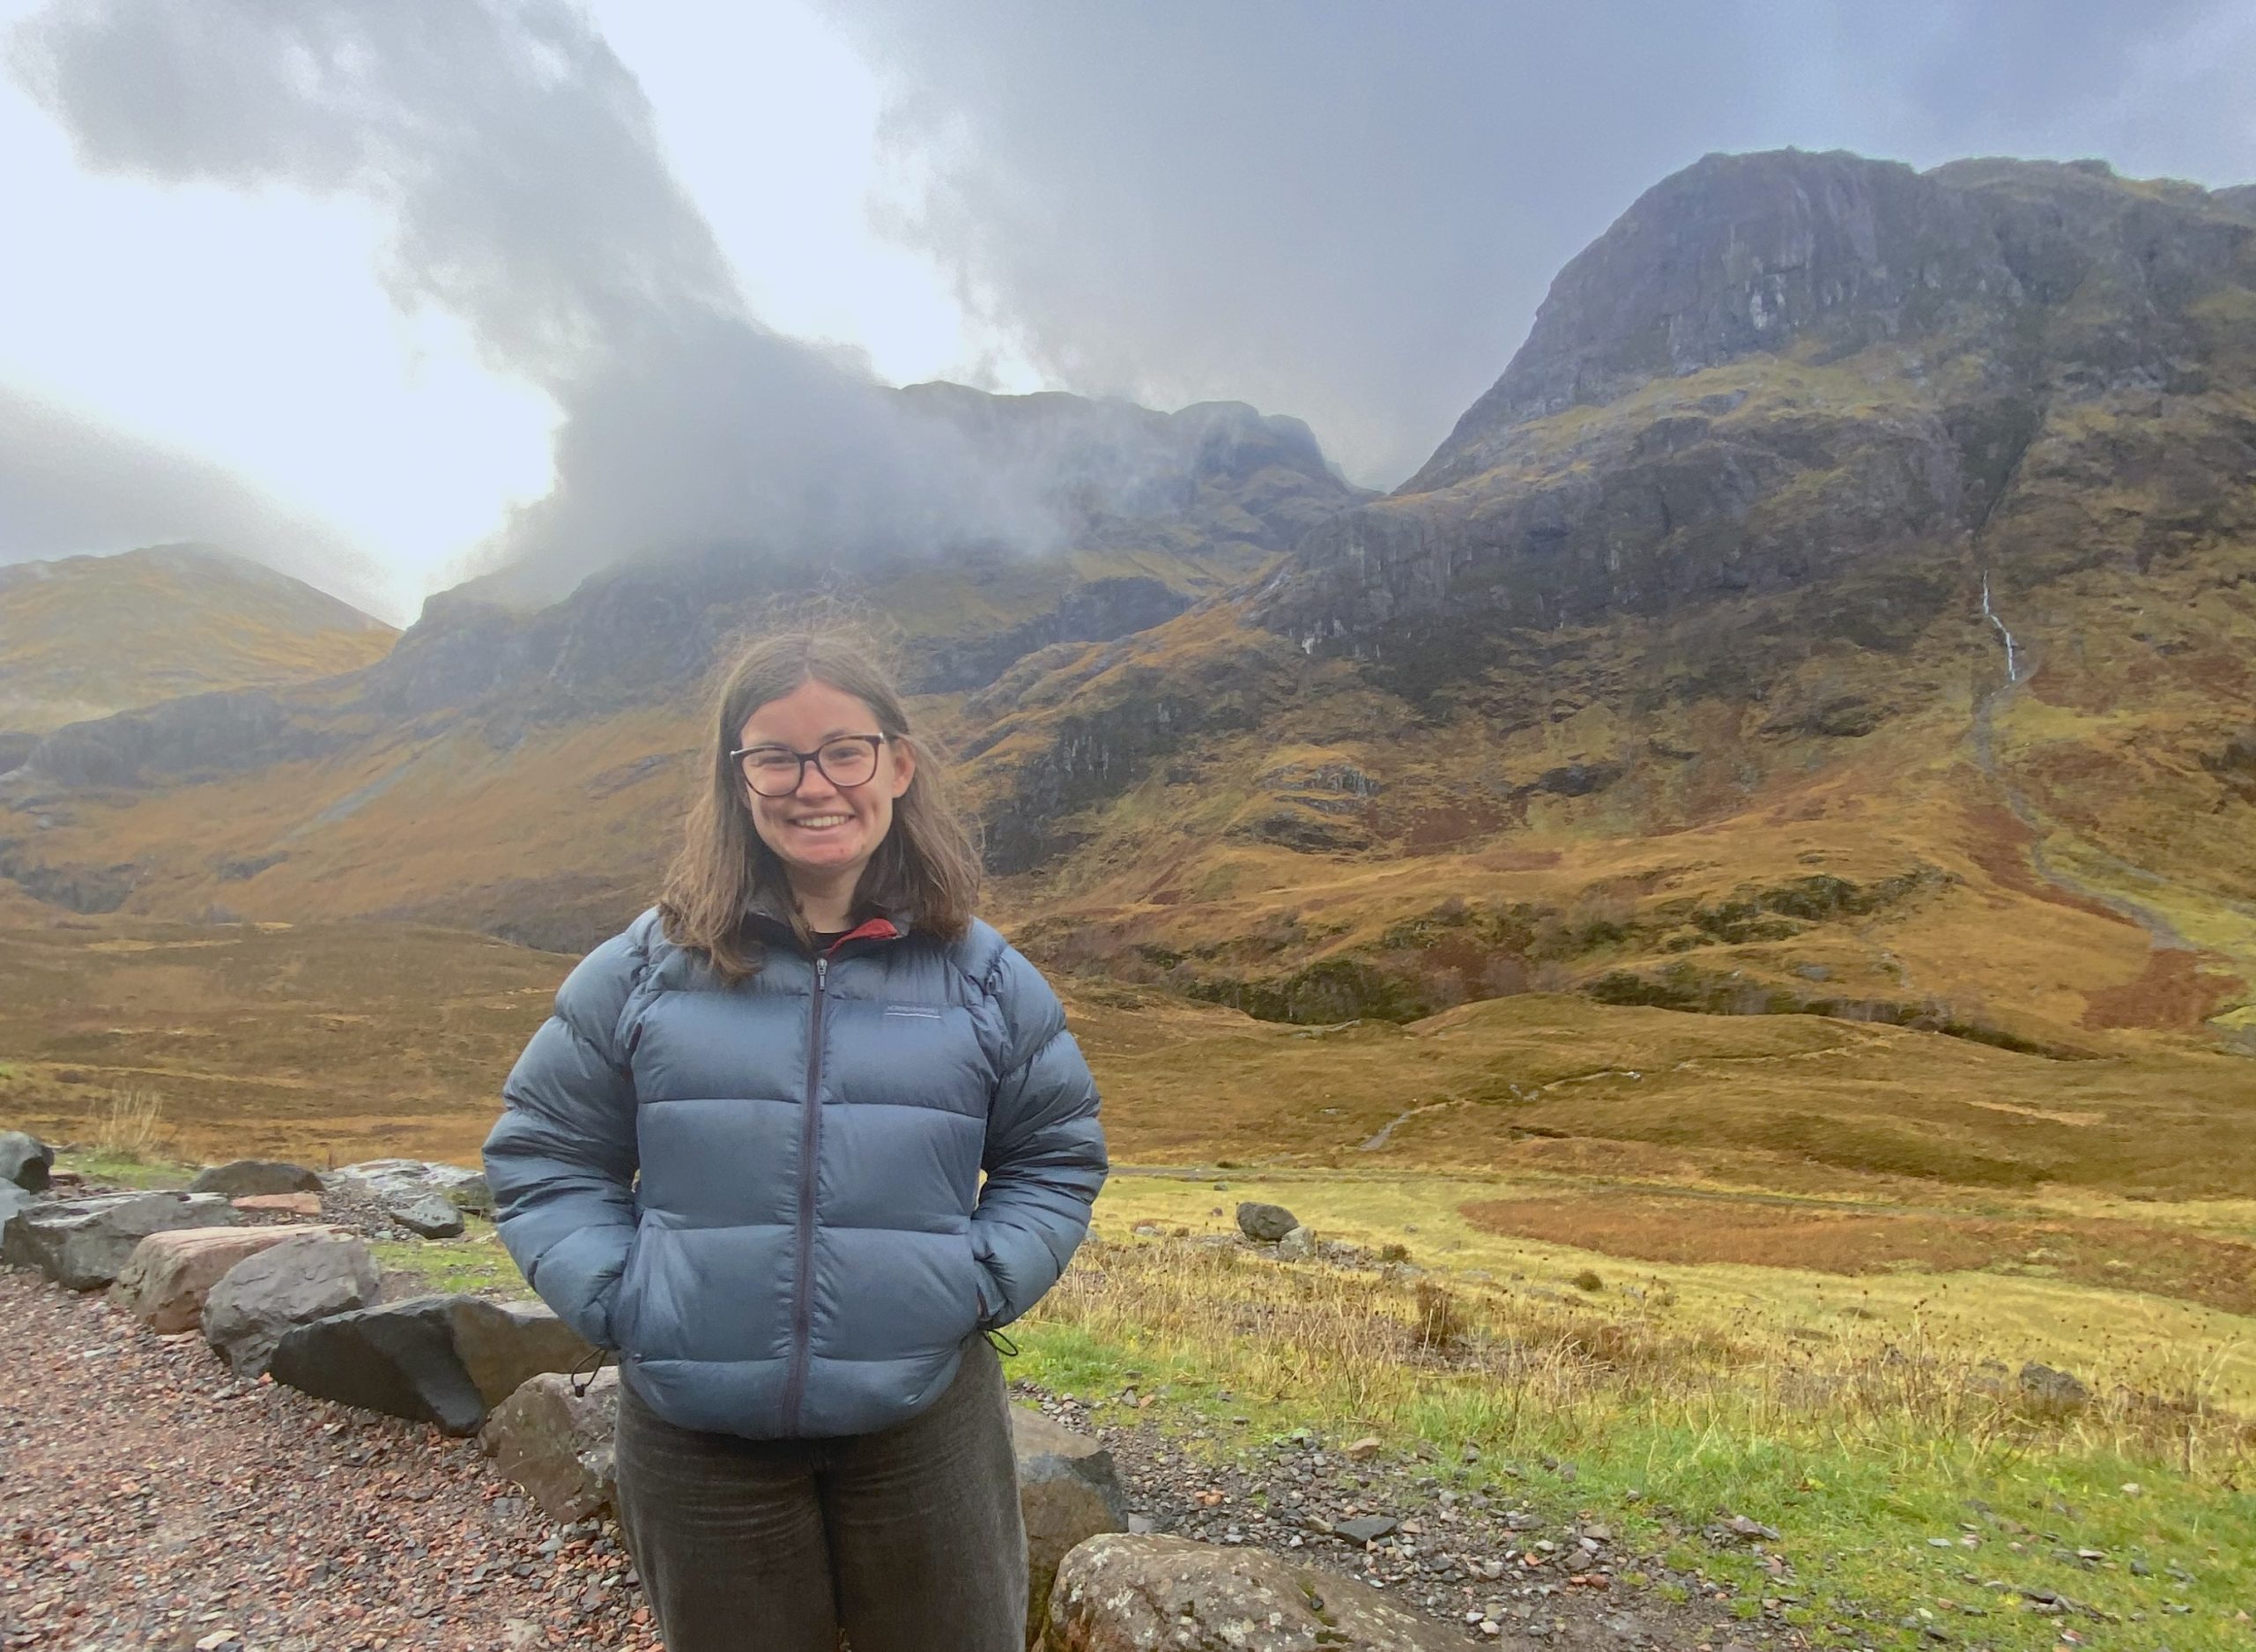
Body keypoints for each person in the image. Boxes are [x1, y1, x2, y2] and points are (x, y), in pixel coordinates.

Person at [483, 626, 1108, 1651]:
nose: (813, 784)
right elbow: (545, 1150)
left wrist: (974, 1283)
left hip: (922, 1424)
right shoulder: (644, 968)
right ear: (736, 780)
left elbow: (1054, 1154)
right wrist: (624, 1299)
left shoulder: (983, 975)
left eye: (844, 750)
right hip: (697, 1437)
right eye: (774, 755)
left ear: (897, 766)